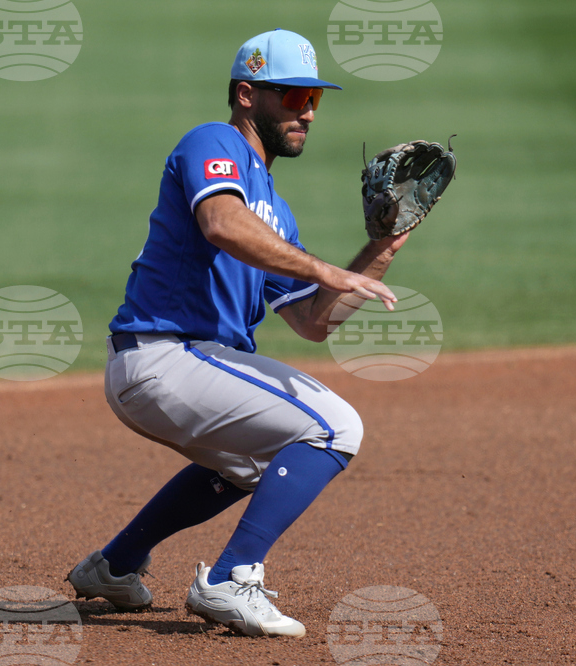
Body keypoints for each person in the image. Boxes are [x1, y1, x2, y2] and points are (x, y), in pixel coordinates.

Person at [67, 28, 409, 638]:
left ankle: (115, 566)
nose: (307, 112)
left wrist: (381, 249)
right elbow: (221, 223)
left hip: (179, 367)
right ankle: (230, 579)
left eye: (314, 99)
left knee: (259, 462)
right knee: (336, 427)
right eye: (293, 96)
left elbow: (312, 321)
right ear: (247, 94)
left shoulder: (276, 212)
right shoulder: (214, 142)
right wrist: (322, 267)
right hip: (163, 356)